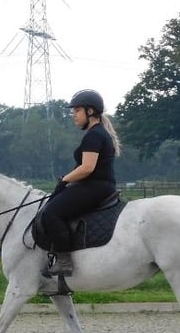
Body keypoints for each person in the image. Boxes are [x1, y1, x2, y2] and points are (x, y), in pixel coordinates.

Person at [41, 89, 122, 276]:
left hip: (95, 186)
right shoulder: (98, 133)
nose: (73, 116)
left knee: (52, 212)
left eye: (77, 111)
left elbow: (87, 168)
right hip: (97, 185)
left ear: (90, 112)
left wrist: (64, 180)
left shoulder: (94, 135)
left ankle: (64, 261)